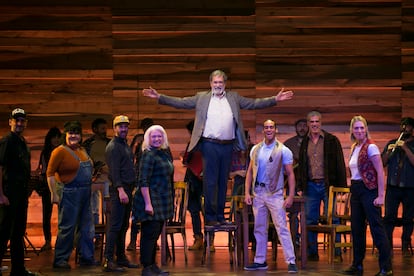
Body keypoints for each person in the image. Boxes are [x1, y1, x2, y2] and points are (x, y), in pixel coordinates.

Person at [142, 69, 293, 227]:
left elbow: (253, 103)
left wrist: (275, 99)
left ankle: (220, 216)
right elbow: (181, 102)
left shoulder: (233, 98)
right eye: (215, 82)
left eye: (221, 82)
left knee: (223, 181)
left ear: (225, 84)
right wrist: (159, 97)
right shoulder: (202, 97)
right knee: (210, 182)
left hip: (227, 145)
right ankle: (210, 216)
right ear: (210, 83)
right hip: (209, 144)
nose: (218, 85)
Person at [243, 119, 298, 273]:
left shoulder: (283, 150)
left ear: (276, 129)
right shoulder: (256, 149)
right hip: (258, 193)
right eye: (266, 127)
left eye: (271, 127)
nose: (269, 130)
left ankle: (291, 260)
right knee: (260, 228)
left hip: (275, 194)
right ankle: (260, 260)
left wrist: (290, 195)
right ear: (263, 130)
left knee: (281, 227)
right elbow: (249, 172)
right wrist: (247, 192)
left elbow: (291, 174)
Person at [342, 115, 393, 276]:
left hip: (369, 190)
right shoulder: (354, 147)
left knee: (377, 229)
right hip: (356, 190)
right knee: (357, 229)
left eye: (362, 128)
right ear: (352, 130)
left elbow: (380, 171)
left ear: (366, 129)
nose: (359, 131)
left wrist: (381, 195)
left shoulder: (371, 147)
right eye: (356, 128)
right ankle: (357, 265)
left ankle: (386, 267)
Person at [297, 110, 347, 262]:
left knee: (334, 219)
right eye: (311, 122)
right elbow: (301, 166)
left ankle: (337, 253)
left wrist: (341, 188)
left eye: (317, 121)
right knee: (310, 220)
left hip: (328, 186)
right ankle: (312, 252)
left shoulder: (332, 140)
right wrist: (300, 186)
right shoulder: (304, 142)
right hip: (311, 186)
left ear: (321, 123)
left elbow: (340, 164)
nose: (314, 124)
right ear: (308, 124)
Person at [47, 120, 97, 269]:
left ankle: (86, 257)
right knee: (67, 227)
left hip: (85, 193)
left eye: (76, 133)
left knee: (87, 227)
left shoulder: (82, 150)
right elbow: (49, 174)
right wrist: (54, 194)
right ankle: (61, 259)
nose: (74, 136)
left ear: (80, 136)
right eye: (71, 133)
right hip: (70, 192)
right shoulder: (59, 151)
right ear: (65, 134)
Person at [133, 125, 174, 276]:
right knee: (149, 234)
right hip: (151, 199)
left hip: (162, 199)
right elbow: (143, 181)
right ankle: (146, 267)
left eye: (159, 136)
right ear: (148, 139)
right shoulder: (148, 155)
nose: (157, 139)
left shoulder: (163, 153)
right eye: (153, 136)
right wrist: (148, 203)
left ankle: (152, 264)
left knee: (155, 233)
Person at [0, 108, 36, 276]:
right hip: (9, 192)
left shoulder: (21, 141)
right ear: (10, 122)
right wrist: (1, 194)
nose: (20, 123)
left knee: (18, 232)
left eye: (22, 120)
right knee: (4, 231)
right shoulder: (7, 141)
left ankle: (18, 270)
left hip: (20, 194)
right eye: (17, 120)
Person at [103, 115, 139, 272]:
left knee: (124, 225)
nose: (124, 129)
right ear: (114, 128)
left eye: (126, 126)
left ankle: (121, 257)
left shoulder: (123, 144)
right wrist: (120, 190)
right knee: (115, 226)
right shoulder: (113, 147)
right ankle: (108, 260)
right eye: (120, 126)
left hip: (127, 189)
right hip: (120, 190)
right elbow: (114, 171)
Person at [382, 117, 414, 257]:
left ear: (412, 129)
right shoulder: (392, 143)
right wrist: (390, 152)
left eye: (406, 126)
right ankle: (387, 246)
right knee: (389, 217)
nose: (404, 128)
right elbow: (382, 163)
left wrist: (405, 148)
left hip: (410, 187)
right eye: (402, 126)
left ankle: (405, 245)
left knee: (408, 218)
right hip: (392, 187)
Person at [82, 118, 111, 249]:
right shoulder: (88, 143)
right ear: (95, 129)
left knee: (108, 209)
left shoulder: (110, 143)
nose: (104, 131)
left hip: (108, 180)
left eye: (106, 128)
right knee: (93, 209)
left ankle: (109, 237)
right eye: (102, 128)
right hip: (93, 180)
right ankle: (96, 237)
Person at [127, 117, 154, 251]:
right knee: (137, 212)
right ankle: (133, 240)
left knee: (151, 213)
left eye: (150, 125)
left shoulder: (155, 139)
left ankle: (149, 241)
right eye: (146, 126)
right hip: (138, 180)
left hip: (152, 182)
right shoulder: (139, 138)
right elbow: (130, 155)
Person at [35, 126, 62, 252]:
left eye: (58, 137)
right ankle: (47, 241)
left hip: (62, 184)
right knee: (46, 214)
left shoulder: (64, 151)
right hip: (47, 185)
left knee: (64, 214)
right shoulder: (45, 152)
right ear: (49, 139)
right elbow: (44, 169)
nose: (56, 140)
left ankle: (63, 241)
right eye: (54, 137)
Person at [284, 118, 308, 247]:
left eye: (305, 125)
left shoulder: (312, 142)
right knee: (293, 214)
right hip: (292, 184)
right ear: (296, 128)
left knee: (309, 213)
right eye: (300, 126)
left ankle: (308, 241)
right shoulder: (288, 144)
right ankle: (295, 240)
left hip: (308, 184)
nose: (302, 128)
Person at [182, 120, 205, 251]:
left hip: (204, 181)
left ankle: (210, 240)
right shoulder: (192, 144)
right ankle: (198, 238)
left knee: (206, 211)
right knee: (194, 211)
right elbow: (186, 160)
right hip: (191, 181)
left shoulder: (206, 144)